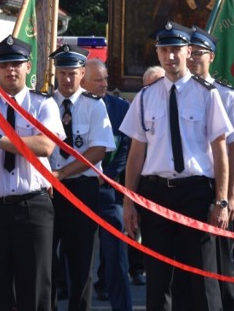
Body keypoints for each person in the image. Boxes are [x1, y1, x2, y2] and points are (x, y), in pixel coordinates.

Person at [120, 21, 233, 311]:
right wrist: (129, 201)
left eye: (176, 50)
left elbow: (221, 150)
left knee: (202, 279)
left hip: (196, 193)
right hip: (155, 194)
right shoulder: (146, 96)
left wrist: (221, 200)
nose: (170, 57)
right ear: (157, 54)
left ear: (188, 51)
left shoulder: (208, 94)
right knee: (158, 280)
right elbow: (136, 153)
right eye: (164, 50)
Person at [0, 35, 65, 311]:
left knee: (36, 291)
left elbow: (44, 145)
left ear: (28, 66)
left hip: (32, 207)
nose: (11, 70)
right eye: (4, 65)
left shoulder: (43, 104)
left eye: (16, 64)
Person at [184, 27, 234, 311]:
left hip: (219, 187)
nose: (191, 59)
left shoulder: (227, 96)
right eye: (188, 53)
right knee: (189, 259)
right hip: (190, 186)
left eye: (197, 53)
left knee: (221, 258)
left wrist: (232, 195)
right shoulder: (177, 93)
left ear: (211, 57)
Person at [48, 45, 115, 311]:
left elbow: (98, 149)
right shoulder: (44, 104)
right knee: (47, 260)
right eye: (62, 73)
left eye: (72, 73)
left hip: (81, 188)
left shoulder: (94, 106)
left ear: (82, 75)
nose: (66, 79)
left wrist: (62, 172)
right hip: (48, 189)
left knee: (81, 261)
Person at [81, 58, 133, 311]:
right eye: (98, 80)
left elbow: (125, 146)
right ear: (83, 82)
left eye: (105, 79)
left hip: (108, 193)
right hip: (79, 191)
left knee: (116, 258)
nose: (104, 84)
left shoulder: (119, 108)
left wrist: (109, 175)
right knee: (79, 262)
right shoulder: (72, 107)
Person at [125, 65, 167, 287]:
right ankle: (137, 266)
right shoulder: (141, 103)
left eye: (155, 84)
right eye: (147, 85)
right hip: (145, 181)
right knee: (138, 230)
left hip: (172, 185)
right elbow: (133, 150)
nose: (151, 89)